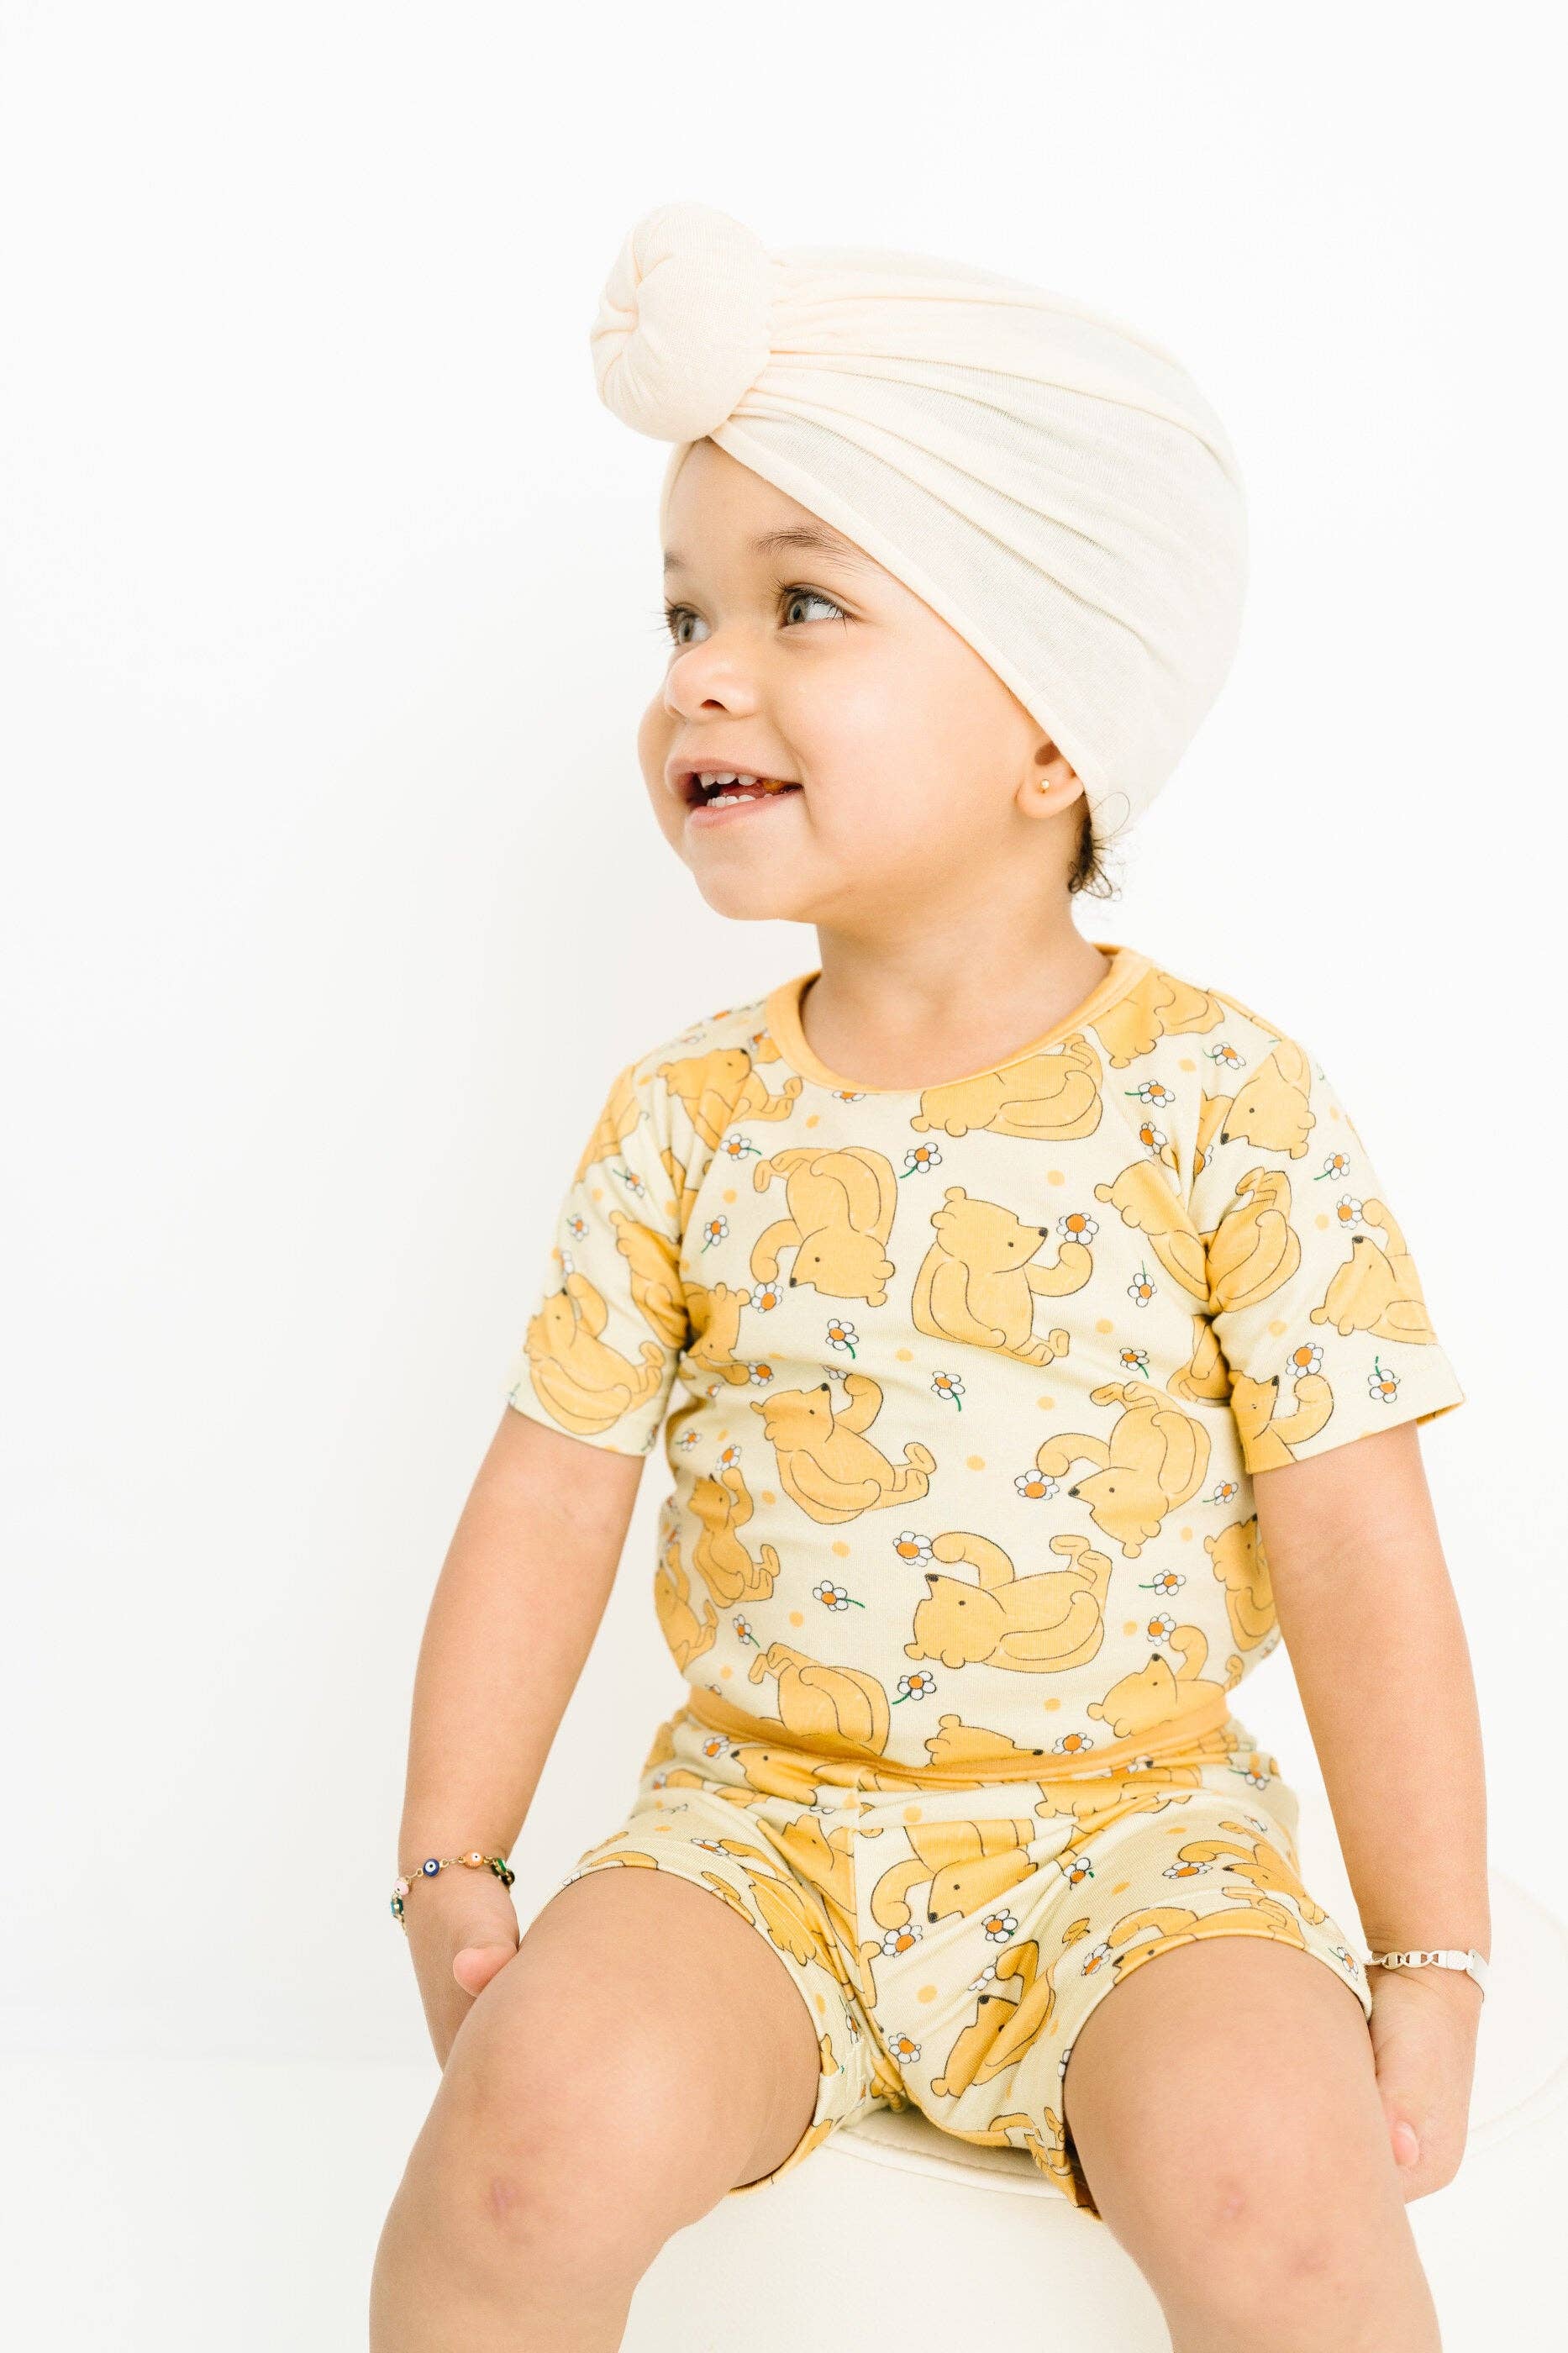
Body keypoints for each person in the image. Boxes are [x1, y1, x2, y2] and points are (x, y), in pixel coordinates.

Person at [370, 203, 1485, 2353]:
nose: (702, 672)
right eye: (684, 610)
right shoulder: (684, 1115)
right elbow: (549, 1494)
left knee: (1282, 2188)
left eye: (803, 602)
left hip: (1138, 1848)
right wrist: (450, 1861)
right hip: (755, 1835)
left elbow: (1362, 1546)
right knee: (513, 2151)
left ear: (1053, 730)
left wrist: (1430, 1956)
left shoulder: (1228, 1102)